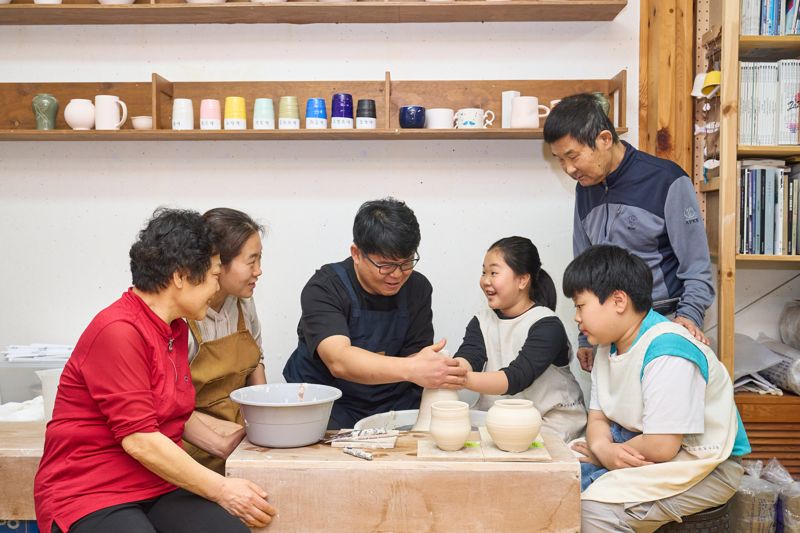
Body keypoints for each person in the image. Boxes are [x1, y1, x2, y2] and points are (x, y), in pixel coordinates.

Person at [34, 208, 276, 533]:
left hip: (156, 483)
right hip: (92, 489)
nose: (216, 288)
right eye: (214, 277)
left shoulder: (174, 328)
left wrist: (227, 445)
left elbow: (173, 410)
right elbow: (141, 440)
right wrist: (222, 489)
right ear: (181, 276)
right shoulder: (119, 330)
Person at [562, 245, 749, 532]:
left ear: (618, 301)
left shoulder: (668, 351)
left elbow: (662, 446)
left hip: (704, 464)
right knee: (558, 472)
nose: (576, 317)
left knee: (592, 511)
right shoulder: (607, 345)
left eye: (580, 305)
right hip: (638, 443)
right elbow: (597, 417)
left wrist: (606, 454)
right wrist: (602, 448)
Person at [544, 93, 714, 373]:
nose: (569, 169)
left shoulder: (666, 180)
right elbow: (586, 269)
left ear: (605, 139)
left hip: (663, 326)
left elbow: (696, 267)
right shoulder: (585, 188)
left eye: (573, 156)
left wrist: (688, 317)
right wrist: (586, 337)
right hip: (608, 334)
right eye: (559, 160)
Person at [283, 197, 466, 429]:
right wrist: (413, 369)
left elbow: (415, 357)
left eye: (407, 262)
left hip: (390, 403)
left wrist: (435, 369)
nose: (397, 275)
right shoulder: (325, 287)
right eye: (386, 265)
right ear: (356, 253)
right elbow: (339, 360)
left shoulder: (417, 288)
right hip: (328, 404)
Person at [453, 237, 586, 443]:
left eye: (494, 273)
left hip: (550, 421)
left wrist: (461, 379)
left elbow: (516, 378)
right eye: (484, 272)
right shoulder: (481, 321)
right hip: (500, 421)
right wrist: (450, 368)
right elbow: (470, 356)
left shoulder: (547, 325)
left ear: (522, 280)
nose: (486, 280)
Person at [182, 208, 267, 474]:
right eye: (251, 261)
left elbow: (255, 362)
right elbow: (167, 410)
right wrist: (227, 440)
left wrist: (265, 422)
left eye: (260, 259)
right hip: (192, 450)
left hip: (240, 441)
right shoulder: (182, 317)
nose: (259, 271)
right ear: (217, 263)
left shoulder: (243, 302)